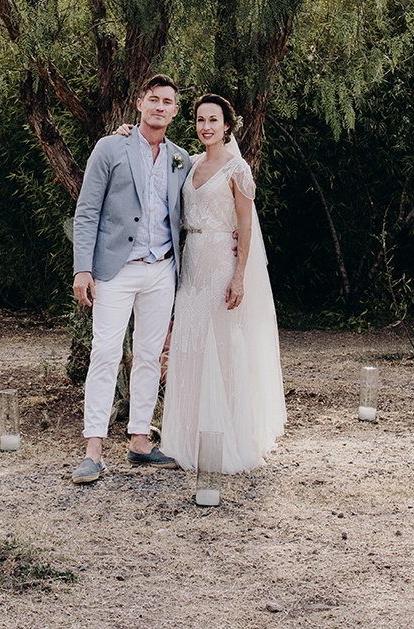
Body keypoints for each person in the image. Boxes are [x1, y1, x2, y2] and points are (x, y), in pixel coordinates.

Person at [69, 74, 190, 484]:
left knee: (149, 356)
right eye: (153, 99)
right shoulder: (110, 147)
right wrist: (82, 268)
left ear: (176, 111)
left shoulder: (181, 158)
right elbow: (86, 210)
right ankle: (93, 451)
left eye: (167, 102)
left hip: (162, 270)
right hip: (115, 270)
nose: (159, 106)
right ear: (139, 103)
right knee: (104, 353)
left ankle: (140, 441)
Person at [163, 94, 286, 473]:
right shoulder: (189, 163)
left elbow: (246, 225)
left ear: (227, 126)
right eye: (200, 120)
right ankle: (191, 441)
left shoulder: (237, 168)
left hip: (222, 260)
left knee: (223, 345)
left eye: (213, 120)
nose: (206, 127)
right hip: (192, 259)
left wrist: (239, 275)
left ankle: (229, 439)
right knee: (193, 344)